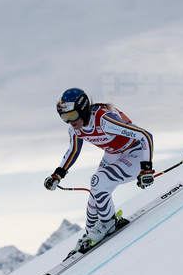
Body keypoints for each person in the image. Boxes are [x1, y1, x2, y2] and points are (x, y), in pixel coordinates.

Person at [44, 88, 155, 254]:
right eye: (64, 117)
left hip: (136, 154)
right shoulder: (75, 129)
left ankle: (109, 223)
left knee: (97, 181)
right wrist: (57, 175)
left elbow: (145, 136)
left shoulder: (104, 120)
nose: (70, 122)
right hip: (114, 154)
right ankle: (90, 235)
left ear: (82, 109)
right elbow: (73, 151)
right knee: (94, 198)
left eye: (72, 115)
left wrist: (146, 169)